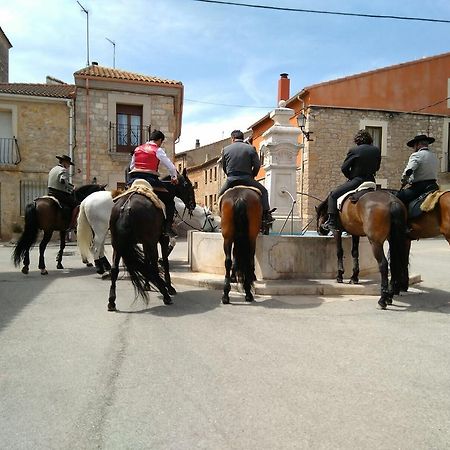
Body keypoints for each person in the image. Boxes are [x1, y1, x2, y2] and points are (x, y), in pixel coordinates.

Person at [323, 129, 381, 232]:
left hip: (357, 181)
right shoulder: (376, 150)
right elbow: (377, 168)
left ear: (357, 140)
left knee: (333, 195)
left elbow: (344, 168)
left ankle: (331, 221)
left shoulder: (354, 150)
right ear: (369, 140)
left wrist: (350, 177)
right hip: (371, 181)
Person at [218, 129, 275, 234]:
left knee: (220, 196)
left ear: (232, 138)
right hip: (247, 178)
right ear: (242, 138)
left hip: (231, 179)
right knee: (264, 191)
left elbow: (224, 167)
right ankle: (266, 216)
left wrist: (229, 175)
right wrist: (252, 175)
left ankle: (222, 218)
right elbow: (257, 165)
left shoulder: (225, 149)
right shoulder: (251, 148)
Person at [128, 130, 179, 237]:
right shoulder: (158, 150)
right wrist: (174, 177)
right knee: (170, 201)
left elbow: (132, 166)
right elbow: (171, 167)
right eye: (161, 142)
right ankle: (167, 227)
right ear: (159, 140)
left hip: (133, 180)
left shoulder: (137, 149)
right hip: (150, 180)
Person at [396, 134, 439, 207]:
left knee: (398, 197)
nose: (413, 148)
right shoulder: (434, 156)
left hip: (420, 188)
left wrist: (404, 181)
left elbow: (409, 171)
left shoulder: (416, 155)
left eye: (413, 146)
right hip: (434, 186)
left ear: (418, 145)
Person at [48, 154, 78, 226]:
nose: (68, 166)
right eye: (68, 164)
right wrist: (72, 187)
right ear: (64, 162)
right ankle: (72, 223)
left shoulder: (53, 169)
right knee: (77, 205)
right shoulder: (63, 170)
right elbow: (63, 180)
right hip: (59, 194)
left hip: (50, 192)